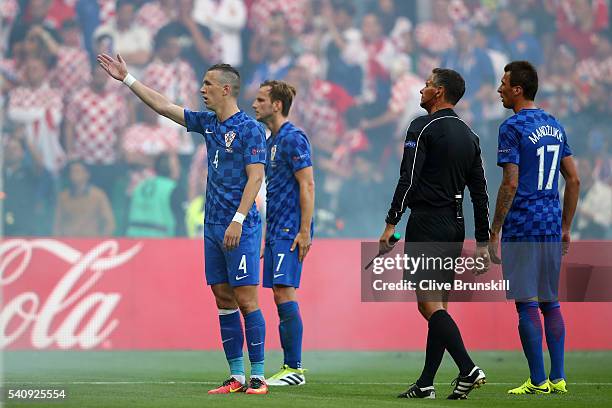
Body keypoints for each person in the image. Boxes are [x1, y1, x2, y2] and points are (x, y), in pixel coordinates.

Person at [97, 55, 268, 394]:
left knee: (247, 299)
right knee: (222, 297)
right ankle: (236, 375)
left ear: (225, 89)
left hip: (241, 226)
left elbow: (256, 177)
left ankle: (259, 376)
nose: (201, 89)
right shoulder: (208, 123)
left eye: (207, 84)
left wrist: (238, 219)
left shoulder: (250, 129)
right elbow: (163, 106)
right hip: (213, 226)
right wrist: (128, 79)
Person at [378, 68, 490, 399]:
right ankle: (427, 383)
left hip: (427, 222)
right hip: (455, 224)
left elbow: (407, 178)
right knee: (438, 304)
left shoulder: (421, 126)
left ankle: (468, 369)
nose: (421, 89)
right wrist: (482, 242)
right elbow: (480, 192)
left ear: (439, 92)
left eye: (427, 85)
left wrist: (391, 222)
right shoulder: (470, 135)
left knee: (428, 306)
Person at [489, 60, 580, 395]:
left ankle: (538, 381)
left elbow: (510, 183)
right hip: (550, 224)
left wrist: (495, 229)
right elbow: (574, 178)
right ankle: (558, 377)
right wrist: (566, 225)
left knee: (526, 303)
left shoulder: (511, 128)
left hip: (522, 224)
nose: (499, 89)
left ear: (518, 89)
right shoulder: (554, 124)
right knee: (550, 302)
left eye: (503, 83)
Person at [252, 80, 314, 386]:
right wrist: (266, 233)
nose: (254, 104)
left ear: (277, 105)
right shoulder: (269, 140)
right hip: (276, 228)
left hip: (291, 228)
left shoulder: (293, 138)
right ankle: (291, 367)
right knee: (278, 293)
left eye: (261, 99)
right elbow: (274, 191)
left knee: (283, 292)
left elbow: (307, 184)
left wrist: (305, 231)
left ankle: (294, 369)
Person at [54, 161, 115, 237]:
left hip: (91, 243)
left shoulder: (98, 195)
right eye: (72, 171)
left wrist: (100, 241)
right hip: (68, 243)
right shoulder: (63, 197)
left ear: (87, 174)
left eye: (77, 171)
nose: (74, 174)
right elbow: (57, 224)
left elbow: (109, 222)